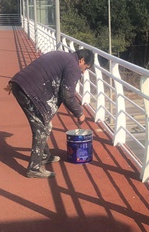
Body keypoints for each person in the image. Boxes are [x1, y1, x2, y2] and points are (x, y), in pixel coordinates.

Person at [5, 49, 94, 178]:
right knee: (42, 127)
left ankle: (45, 155)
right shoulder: (73, 66)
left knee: (46, 123)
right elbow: (67, 95)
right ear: (82, 60)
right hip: (28, 91)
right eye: (85, 67)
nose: (84, 72)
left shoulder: (64, 56)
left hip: (21, 85)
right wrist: (79, 113)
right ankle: (34, 168)